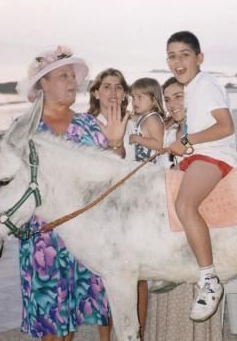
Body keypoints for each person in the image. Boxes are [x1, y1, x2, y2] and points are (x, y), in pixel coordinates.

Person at [15, 45, 111, 341]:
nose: (73, 82)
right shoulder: (24, 130)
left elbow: (106, 180)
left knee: (79, 317)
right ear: (42, 83)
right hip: (43, 242)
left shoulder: (89, 126)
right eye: (63, 76)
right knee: (54, 329)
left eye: (73, 75)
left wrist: (116, 146)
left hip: (88, 238)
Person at [165, 31, 237, 322]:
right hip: (197, 155)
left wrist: (188, 141)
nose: (177, 61)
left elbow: (225, 126)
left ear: (199, 58)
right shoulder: (193, 87)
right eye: (172, 56)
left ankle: (209, 281)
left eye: (184, 54)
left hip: (214, 155)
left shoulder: (205, 85)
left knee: (184, 205)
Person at [144, 77, 223, 341]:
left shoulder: (201, 130)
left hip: (193, 228)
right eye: (167, 99)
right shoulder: (172, 129)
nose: (172, 104)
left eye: (179, 96)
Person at [88, 68, 148, 341]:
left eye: (118, 87)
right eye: (107, 86)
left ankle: (139, 334)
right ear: (96, 91)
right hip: (100, 211)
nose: (113, 92)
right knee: (104, 280)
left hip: (133, 206)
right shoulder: (86, 124)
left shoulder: (136, 121)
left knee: (138, 275)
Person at [129, 78, 166, 162]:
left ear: (153, 100)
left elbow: (158, 144)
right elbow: (132, 117)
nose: (135, 101)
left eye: (139, 97)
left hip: (151, 166)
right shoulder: (144, 116)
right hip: (143, 164)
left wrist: (137, 139)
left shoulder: (152, 119)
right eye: (133, 97)